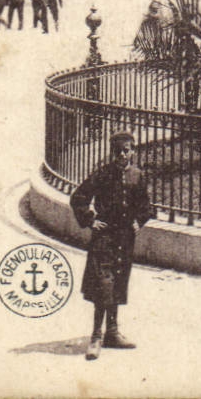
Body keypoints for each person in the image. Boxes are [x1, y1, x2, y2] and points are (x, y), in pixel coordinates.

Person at [70, 130, 154, 360]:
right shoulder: (102, 174)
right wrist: (90, 220)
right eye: (117, 151)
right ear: (111, 152)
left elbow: (146, 205)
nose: (122, 155)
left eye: (126, 150)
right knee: (102, 285)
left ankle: (113, 333)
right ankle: (96, 336)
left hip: (125, 238)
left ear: (133, 151)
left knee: (117, 282)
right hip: (104, 237)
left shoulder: (138, 175)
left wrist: (138, 222)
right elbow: (78, 198)